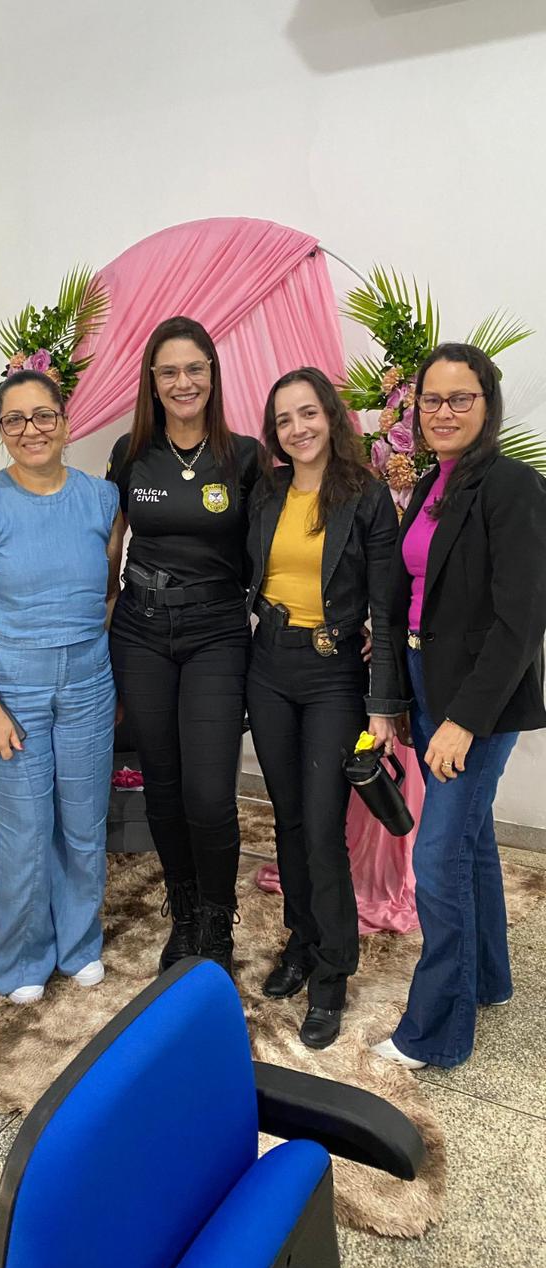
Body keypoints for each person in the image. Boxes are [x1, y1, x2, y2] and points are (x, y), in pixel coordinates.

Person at [372, 342, 546, 1069]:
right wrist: (396, 695)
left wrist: (464, 719)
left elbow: (521, 620)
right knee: (468, 843)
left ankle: (435, 1032)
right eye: (431, 401)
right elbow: (409, 595)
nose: (442, 413)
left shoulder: (512, 486)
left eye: (459, 399)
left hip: (481, 697)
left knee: (438, 857)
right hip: (426, 679)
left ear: (486, 404)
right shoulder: (433, 484)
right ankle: (487, 980)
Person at [0, 370, 121, 1004]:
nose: (31, 430)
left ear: (65, 422)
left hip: (87, 685)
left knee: (83, 824)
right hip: (5, 690)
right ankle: (21, 959)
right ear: (0, 431)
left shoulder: (103, 499)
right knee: (23, 833)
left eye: (43, 415)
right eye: (14, 419)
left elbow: (105, 592)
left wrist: (87, 662)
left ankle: (80, 944)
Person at [245, 368, 405, 1049]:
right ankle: (302, 942)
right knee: (286, 820)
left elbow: (387, 609)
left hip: (334, 672)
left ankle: (333, 971)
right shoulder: (268, 489)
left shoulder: (365, 495)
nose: (297, 428)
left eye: (307, 413)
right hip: (269, 666)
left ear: (331, 417)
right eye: (284, 419)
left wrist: (382, 705)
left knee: (320, 826)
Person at [107, 316, 261, 976]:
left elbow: (276, 544)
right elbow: (112, 540)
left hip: (216, 633)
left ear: (213, 375)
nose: (182, 382)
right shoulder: (130, 452)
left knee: (209, 793)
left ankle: (218, 920)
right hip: (140, 630)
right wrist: (103, 612)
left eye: (194, 368)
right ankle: (186, 909)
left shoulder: (245, 456)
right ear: (152, 380)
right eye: (168, 371)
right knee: (163, 787)